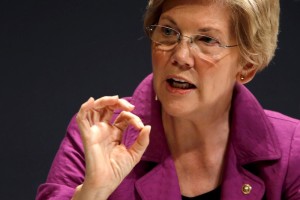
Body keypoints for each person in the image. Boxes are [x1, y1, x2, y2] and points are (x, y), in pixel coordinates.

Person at [36, 0, 300, 199]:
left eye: (207, 39)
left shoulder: (292, 151)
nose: (181, 56)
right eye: (168, 32)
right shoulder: (99, 133)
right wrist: (94, 191)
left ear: (247, 66)